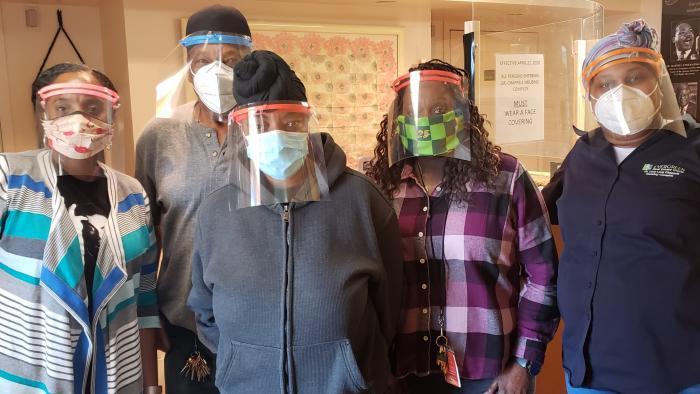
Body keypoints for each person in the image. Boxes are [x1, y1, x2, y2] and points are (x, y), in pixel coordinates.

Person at [187, 50, 403, 394]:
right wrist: (242, 361)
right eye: (261, 124)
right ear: (242, 129)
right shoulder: (217, 211)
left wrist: (349, 365)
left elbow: (389, 308)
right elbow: (204, 310)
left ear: (306, 122)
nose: (276, 135)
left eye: (289, 122)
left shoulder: (362, 201)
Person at [365, 59, 559, 394]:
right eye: (413, 109)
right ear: (397, 120)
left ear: (462, 113)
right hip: (403, 372)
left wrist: (524, 364)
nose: (425, 119)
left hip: (489, 374)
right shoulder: (379, 183)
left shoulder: (506, 178)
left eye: (439, 107)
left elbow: (543, 276)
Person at [542, 20, 700, 393]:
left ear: (658, 84)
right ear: (591, 96)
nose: (621, 92)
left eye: (635, 77)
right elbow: (537, 213)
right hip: (587, 371)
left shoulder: (691, 152)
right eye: (606, 84)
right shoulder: (582, 154)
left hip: (675, 373)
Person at [0, 63, 160, 393]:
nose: (79, 119)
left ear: (111, 115)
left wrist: (151, 387)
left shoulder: (133, 195)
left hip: (116, 374)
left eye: (92, 108)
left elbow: (144, 303)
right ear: (43, 113)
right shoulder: (10, 179)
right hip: (30, 376)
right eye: (63, 107)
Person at [134, 5, 252, 392]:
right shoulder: (159, 136)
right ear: (188, 65)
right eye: (202, 60)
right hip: (184, 325)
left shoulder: (268, 132)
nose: (217, 70)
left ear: (247, 64)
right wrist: (149, 316)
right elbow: (144, 239)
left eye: (230, 60)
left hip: (257, 323)